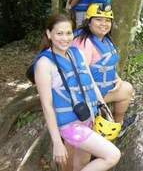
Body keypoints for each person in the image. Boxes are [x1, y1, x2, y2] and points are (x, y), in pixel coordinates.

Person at [33, 14, 120, 171]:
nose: (65, 38)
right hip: (70, 125)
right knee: (112, 155)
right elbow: (47, 106)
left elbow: (91, 83)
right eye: (59, 33)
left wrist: (103, 107)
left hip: (88, 117)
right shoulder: (44, 64)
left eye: (68, 33)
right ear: (49, 34)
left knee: (81, 164)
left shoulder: (76, 53)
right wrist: (57, 143)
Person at [73, 3, 135, 133]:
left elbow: (107, 65)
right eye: (98, 19)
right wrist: (98, 101)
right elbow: (80, 74)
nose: (104, 24)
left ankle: (118, 126)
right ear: (88, 22)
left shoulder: (105, 40)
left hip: (104, 90)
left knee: (127, 89)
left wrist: (117, 79)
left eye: (107, 20)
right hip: (87, 95)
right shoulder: (83, 42)